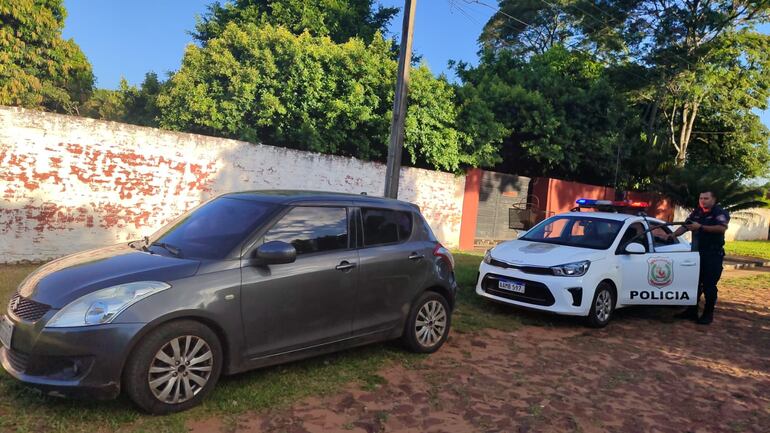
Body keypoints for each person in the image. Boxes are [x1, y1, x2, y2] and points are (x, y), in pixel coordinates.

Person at [667, 191, 730, 325]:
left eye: (706, 198)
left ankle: (708, 314)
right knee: (693, 283)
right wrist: (672, 235)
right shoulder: (697, 212)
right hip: (696, 253)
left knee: (709, 286)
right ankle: (691, 311)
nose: (703, 201)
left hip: (712, 254)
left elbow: (721, 228)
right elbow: (685, 226)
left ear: (714, 199)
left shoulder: (719, 213)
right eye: (701, 198)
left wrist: (700, 227)